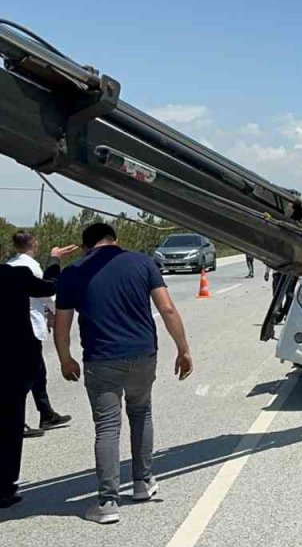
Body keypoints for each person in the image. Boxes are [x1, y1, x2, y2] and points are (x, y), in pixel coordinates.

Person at [53, 223, 194, 524]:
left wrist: (65, 359)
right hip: (143, 354)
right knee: (141, 413)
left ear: (86, 246)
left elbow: (62, 324)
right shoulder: (142, 262)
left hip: (101, 358)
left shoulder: (72, 273)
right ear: (115, 240)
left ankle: (107, 502)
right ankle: (143, 483)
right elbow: (167, 309)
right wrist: (183, 349)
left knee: (107, 427)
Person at [1, 242, 76, 509]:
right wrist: (54, 260)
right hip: (10, 364)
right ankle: (4, 488)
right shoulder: (14, 275)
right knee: (9, 427)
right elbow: (50, 286)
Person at [6, 231, 75, 437]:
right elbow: (47, 292)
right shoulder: (30, 267)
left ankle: (46, 412)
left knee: (37, 372)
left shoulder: (10, 264)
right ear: (34, 244)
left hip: (15, 328)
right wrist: (56, 314)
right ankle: (16, 421)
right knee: (27, 375)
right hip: (29, 327)